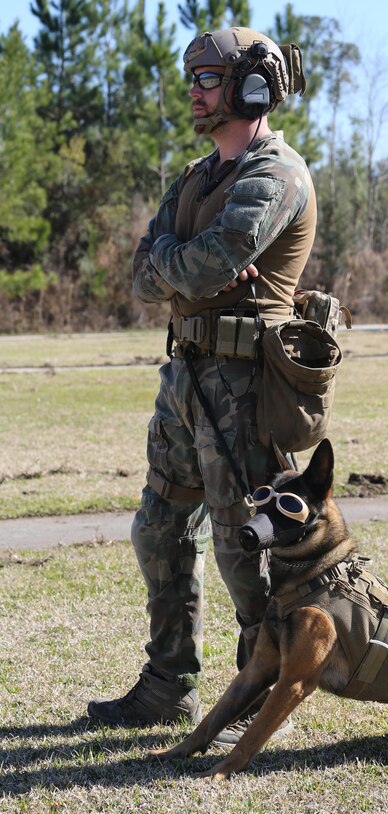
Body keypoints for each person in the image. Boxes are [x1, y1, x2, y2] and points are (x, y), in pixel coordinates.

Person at [87, 27, 316, 744]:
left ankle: (255, 693)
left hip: (247, 388)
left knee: (241, 549)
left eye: (209, 77)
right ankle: (167, 685)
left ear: (253, 86)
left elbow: (192, 268)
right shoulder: (195, 178)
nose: (194, 89)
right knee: (158, 530)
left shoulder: (275, 175)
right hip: (185, 377)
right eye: (194, 76)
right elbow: (150, 272)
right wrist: (179, 260)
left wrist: (178, 261)